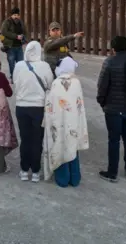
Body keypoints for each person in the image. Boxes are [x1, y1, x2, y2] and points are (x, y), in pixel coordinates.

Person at [97, 36, 126, 183]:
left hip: (113, 108)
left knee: (114, 140)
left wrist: (101, 101)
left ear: (113, 48)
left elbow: (102, 85)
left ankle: (112, 172)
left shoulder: (109, 62)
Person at [42, 57, 89, 187]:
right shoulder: (76, 82)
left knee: (60, 144)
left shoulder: (56, 83)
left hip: (59, 122)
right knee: (72, 146)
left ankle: (63, 178)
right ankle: (75, 178)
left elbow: (51, 104)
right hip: (73, 121)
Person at [12, 41, 54, 182]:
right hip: (39, 108)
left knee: (25, 139)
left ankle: (24, 170)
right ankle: (36, 171)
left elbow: (15, 82)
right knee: (37, 140)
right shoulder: (45, 66)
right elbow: (50, 84)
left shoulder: (18, 65)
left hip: (22, 106)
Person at [0, 7, 26, 81]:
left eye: (17, 15)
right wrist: (16, 36)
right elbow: (4, 32)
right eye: (14, 15)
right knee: (12, 63)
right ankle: (13, 77)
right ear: (11, 15)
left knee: (20, 63)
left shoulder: (20, 22)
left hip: (19, 46)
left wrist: (23, 37)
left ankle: (20, 77)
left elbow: (25, 30)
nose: (16, 16)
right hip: (10, 46)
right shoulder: (7, 22)